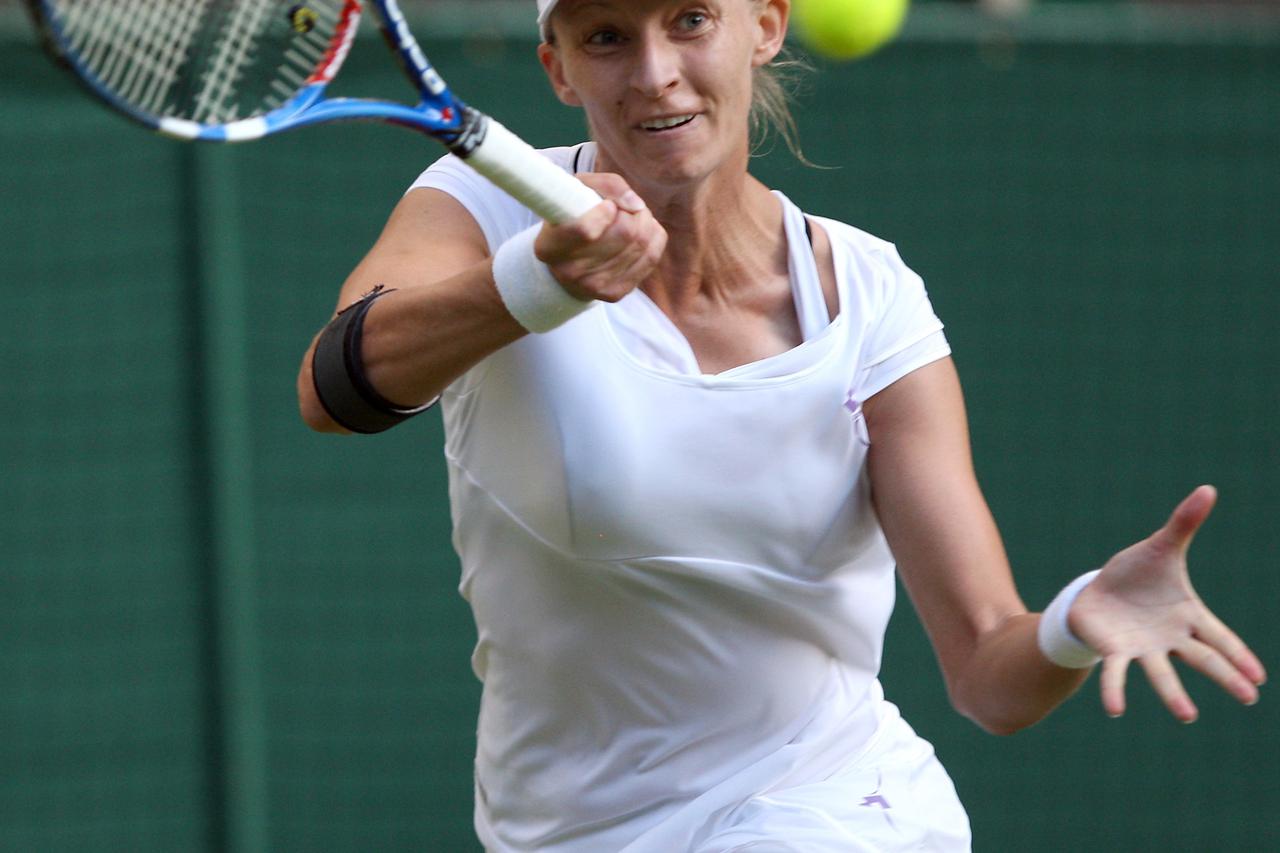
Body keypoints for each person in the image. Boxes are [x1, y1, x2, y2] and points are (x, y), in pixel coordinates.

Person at [296, 1, 1266, 849]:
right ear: (556, 67)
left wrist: (1069, 623)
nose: (653, 72)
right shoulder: (483, 211)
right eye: (605, 36)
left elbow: (986, 672)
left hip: (834, 804)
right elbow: (333, 387)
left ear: (763, 24)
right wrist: (531, 283)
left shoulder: (874, 300)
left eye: (688, 20)